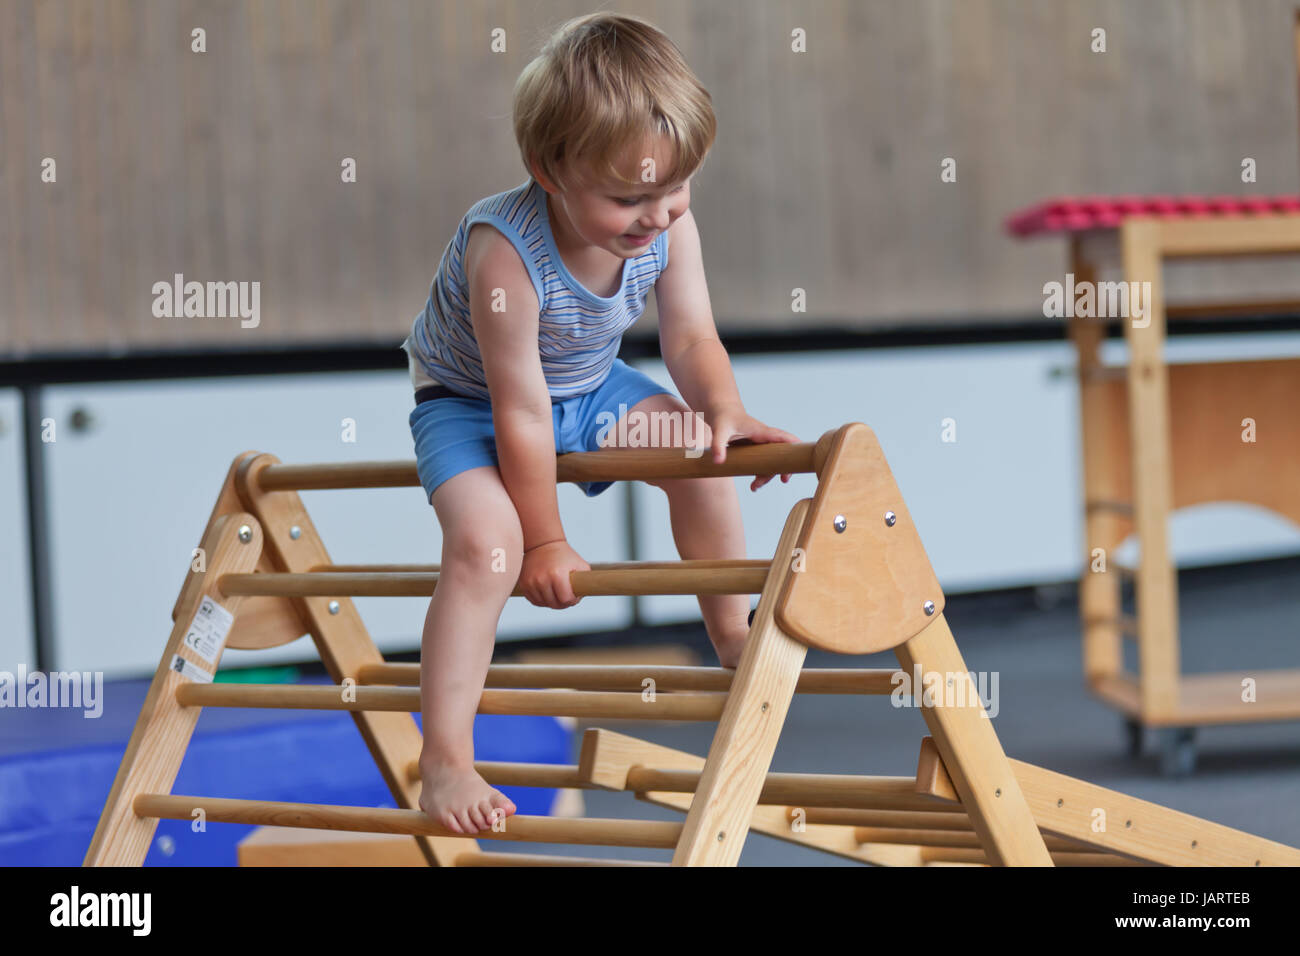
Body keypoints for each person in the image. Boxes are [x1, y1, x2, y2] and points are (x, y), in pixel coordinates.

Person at [400, 11, 800, 835]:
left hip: (591, 388)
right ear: (549, 170)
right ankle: (444, 761)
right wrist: (543, 539)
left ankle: (731, 633)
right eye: (628, 199)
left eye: (674, 189)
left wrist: (724, 410)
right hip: (471, 405)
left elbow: (690, 336)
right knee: (486, 547)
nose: (657, 216)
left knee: (698, 449)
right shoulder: (503, 251)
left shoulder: (667, 224)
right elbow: (518, 407)